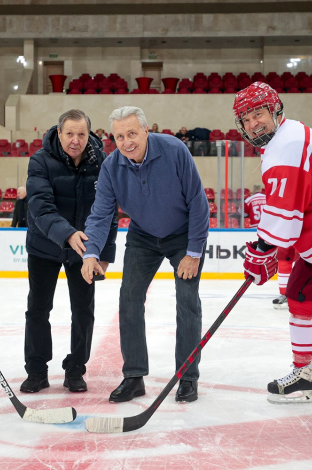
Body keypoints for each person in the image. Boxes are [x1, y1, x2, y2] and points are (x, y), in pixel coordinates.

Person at [81, 106, 209, 403]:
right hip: (143, 236)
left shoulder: (175, 150)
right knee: (129, 298)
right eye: (120, 136)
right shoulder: (112, 166)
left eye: (132, 133)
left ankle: (188, 376)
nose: (127, 142)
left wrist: (194, 251)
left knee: (188, 301)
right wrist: (91, 254)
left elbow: (198, 202)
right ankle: (134, 376)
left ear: (146, 130)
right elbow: (100, 215)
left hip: (183, 236)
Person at [233, 81, 312, 437]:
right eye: (246, 119)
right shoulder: (289, 137)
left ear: (276, 110)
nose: (253, 124)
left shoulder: (285, 148)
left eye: (258, 113)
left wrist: (260, 250)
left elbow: (284, 228)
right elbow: (299, 198)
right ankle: (306, 375)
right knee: (300, 299)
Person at [21, 109, 118, 394]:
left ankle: (76, 369)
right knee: (38, 309)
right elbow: (40, 207)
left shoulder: (101, 162)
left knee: (83, 311)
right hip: (44, 246)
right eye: (70, 134)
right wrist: (67, 234)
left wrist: (105, 253)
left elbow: (110, 210)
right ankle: (37, 371)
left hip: (86, 250)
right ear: (59, 132)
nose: (75, 140)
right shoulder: (40, 161)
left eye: (82, 134)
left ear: (90, 134)